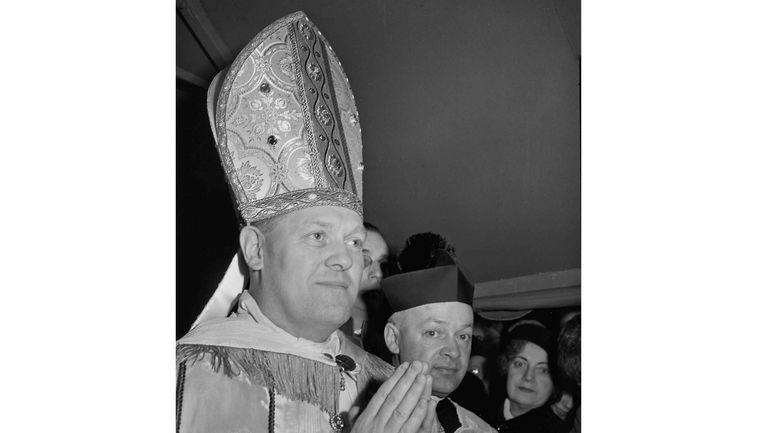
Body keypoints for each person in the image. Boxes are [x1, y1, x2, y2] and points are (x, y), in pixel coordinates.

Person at [176, 12, 437, 433]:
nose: (344, 260)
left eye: (354, 243)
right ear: (255, 249)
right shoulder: (184, 380)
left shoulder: (389, 387)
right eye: (318, 236)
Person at [381, 251, 497, 432]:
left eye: (463, 336)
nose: (454, 351)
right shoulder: (352, 406)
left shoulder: (481, 430)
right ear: (393, 338)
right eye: (433, 333)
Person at [495, 322, 571, 433]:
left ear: (554, 382)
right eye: (520, 364)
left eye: (543, 370)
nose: (528, 377)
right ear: (506, 367)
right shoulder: (473, 417)